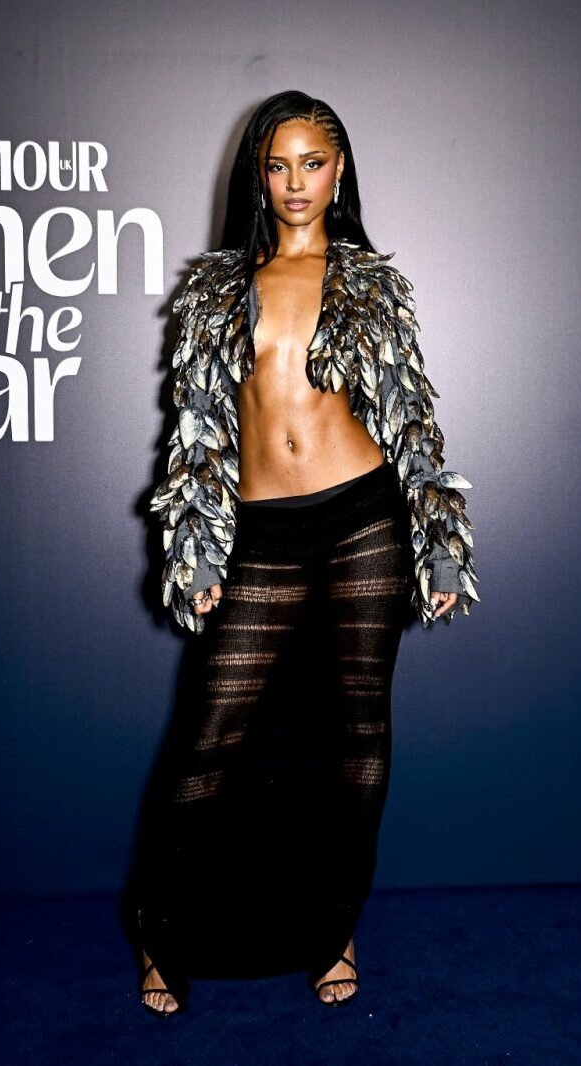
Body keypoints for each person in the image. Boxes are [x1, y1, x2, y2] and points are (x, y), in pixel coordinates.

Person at [131, 90, 480, 1016]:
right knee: (210, 736)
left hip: (363, 520)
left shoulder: (368, 282)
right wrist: (196, 551)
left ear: (339, 171)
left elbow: (411, 418)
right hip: (259, 531)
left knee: (358, 735)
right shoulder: (215, 288)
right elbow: (198, 431)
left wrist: (441, 544)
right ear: (258, 173)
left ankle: (334, 927)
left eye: (313, 163)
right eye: (278, 164)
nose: (296, 182)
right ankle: (163, 932)